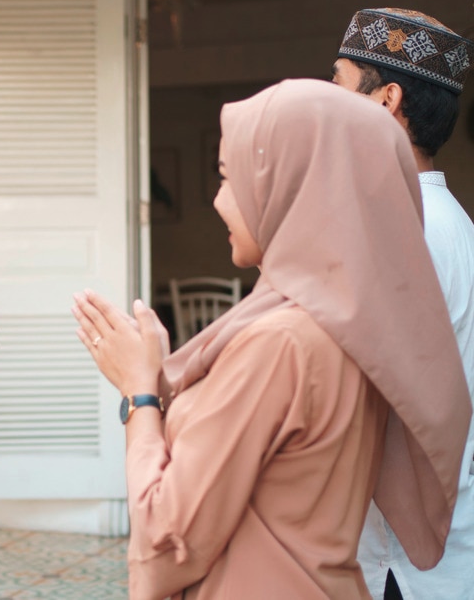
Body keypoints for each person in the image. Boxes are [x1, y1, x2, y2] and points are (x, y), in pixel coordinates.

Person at [71, 78, 471, 600]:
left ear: (292, 185)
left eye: (230, 178)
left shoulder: (282, 342)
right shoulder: (353, 321)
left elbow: (167, 536)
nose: (218, 201)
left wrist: (138, 394)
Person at [332, 7, 474, 600]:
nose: (329, 105)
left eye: (339, 85)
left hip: (403, 561)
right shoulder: (441, 219)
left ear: (386, 99)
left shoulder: (409, 229)